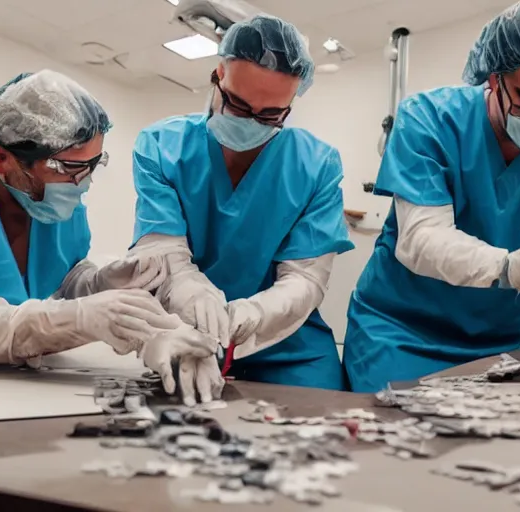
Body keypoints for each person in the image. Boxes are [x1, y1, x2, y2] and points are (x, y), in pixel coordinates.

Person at [345, 0, 520, 392]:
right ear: (493, 79)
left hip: (510, 339)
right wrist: (509, 266)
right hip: (402, 332)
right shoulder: (430, 119)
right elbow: (423, 239)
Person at [0, 71, 219, 404]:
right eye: (69, 167)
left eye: (93, 165)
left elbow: (61, 276)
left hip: (5, 376)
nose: (84, 183)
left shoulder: (53, 197)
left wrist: (99, 282)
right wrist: (80, 319)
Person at [131, 15, 354, 391]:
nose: (251, 122)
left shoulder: (316, 165)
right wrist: (191, 292)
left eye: (270, 115)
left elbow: (304, 279)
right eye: (237, 104)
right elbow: (162, 252)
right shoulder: (161, 147)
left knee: (322, 422)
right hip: (186, 326)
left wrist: (254, 312)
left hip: (288, 340)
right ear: (217, 74)